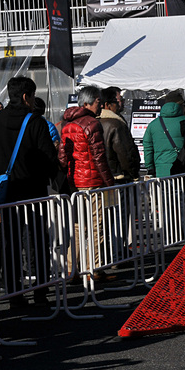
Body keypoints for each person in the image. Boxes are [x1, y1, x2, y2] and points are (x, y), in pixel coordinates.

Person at [0, 77, 58, 306]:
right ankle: (41, 291)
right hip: (33, 189)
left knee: (9, 240)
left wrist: (2, 171)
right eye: (33, 96)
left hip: (7, 188)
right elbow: (49, 157)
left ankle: (15, 292)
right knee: (37, 239)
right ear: (26, 96)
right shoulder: (35, 121)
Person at [58, 85, 115, 275]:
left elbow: (63, 158)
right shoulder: (91, 123)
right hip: (92, 181)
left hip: (75, 182)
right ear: (87, 103)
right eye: (98, 101)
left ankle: (70, 268)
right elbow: (99, 157)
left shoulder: (67, 125)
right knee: (96, 226)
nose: (101, 105)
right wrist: (109, 183)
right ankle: (94, 268)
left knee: (77, 226)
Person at [99, 87, 139, 183]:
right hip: (118, 177)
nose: (120, 103)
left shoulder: (93, 121)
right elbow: (126, 153)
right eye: (118, 101)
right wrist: (133, 174)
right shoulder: (116, 124)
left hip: (102, 177)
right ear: (107, 105)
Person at [143, 91, 185, 177]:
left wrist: (150, 168)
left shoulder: (153, 125)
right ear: (180, 105)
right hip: (183, 169)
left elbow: (148, 148)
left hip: (161, 171)